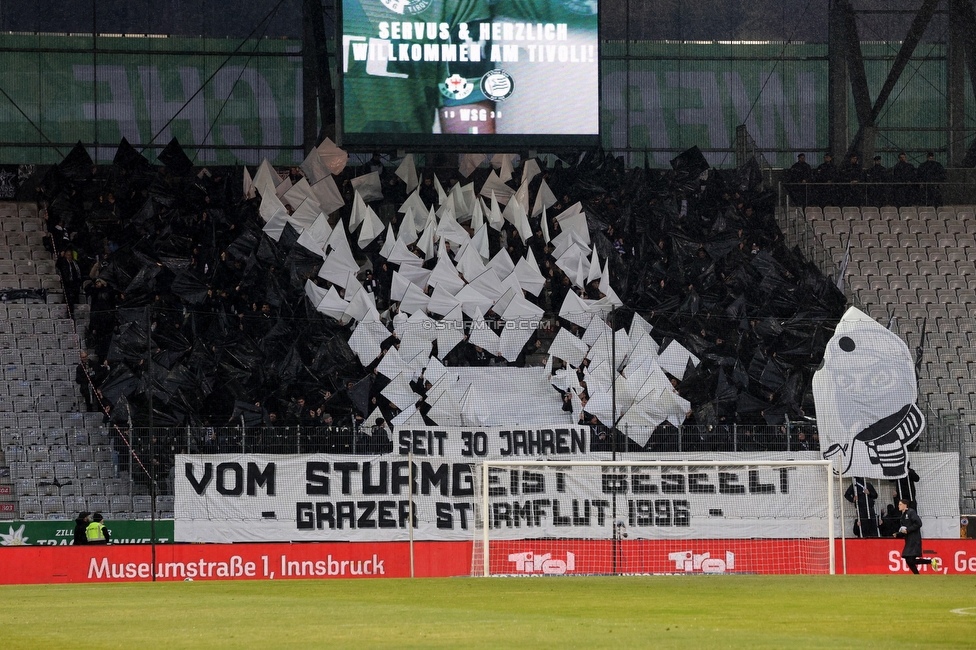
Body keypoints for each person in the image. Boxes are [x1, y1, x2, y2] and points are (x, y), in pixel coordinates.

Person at [895, 498, 939, 573]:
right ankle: (919, 574)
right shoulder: (903, 516)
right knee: (908, 559)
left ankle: (931, 562)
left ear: (905, 505)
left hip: (914, 539)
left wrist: (908, 530)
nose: (898, 506)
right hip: (908, 539)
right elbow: (905, 529)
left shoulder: (911, 512)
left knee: (909, 559)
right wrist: (898, 534)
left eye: (900, 504)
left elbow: (918, 523)